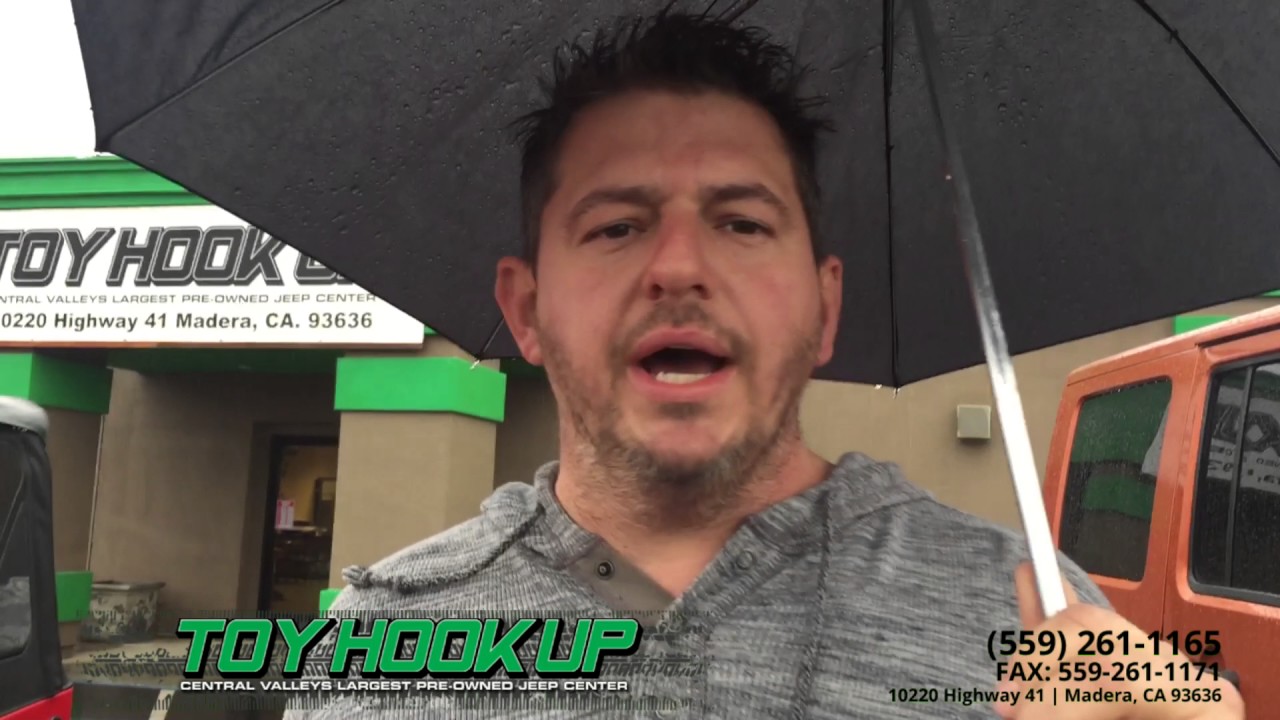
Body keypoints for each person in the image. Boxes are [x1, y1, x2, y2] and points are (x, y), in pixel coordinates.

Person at [286, 9, 1244, 719]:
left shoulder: (1043, 631)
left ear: (825, 309)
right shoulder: (375, 646)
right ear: (528, 310)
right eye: (617, 226)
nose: (678, 267)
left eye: (742, 223)